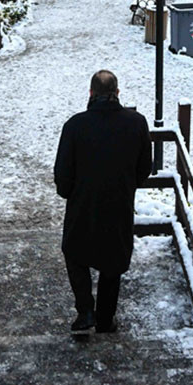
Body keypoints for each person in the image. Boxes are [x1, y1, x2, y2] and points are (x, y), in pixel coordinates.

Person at [54, 70, 152, 334]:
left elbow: (62, 175)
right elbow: (145, 167)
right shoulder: (137, 124)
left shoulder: (74, 126)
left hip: (82, 206)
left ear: (91, 94)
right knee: (113, 259)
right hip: (119, 204)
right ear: (117, 94)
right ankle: (106, 317)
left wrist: (69, 192)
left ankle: (85, 311)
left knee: (75, 253)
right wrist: (127, 185)